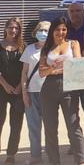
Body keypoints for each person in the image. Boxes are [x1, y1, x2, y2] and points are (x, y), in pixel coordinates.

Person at [39, 17, 84, 165]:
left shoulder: (73, 44)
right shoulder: (46, 48)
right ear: (53, 30)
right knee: (50, 127)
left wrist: (60, 67)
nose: (61, 32)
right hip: (49, 87)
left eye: (64, 29)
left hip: (69, 86)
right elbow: (42, 72)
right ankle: (54, 161)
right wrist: (53, 68)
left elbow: (78, 64)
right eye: (58, 29)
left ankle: (81, 161)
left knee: (74, 125)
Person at [21, 21, 49, 165]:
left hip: (49, 93)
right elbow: (24, 72)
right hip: (32, 92)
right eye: (41, 30)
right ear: (36, 32)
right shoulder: (29, 49)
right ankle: (36, 156)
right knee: (33, 126)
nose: (43, 33)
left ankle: (52, 153)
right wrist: (24, 92)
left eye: (46, 30)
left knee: (50, 127)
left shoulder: (54, 49)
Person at [0, 18, 24, 165]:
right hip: (1, 89)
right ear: (6, 28)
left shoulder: (23, 47)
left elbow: (25, 70)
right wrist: (5, 84)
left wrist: (20, 87)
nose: (13, 30)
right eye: (11, 27)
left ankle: (11, 154)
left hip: (18, 91)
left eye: (16, 28)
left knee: (16, 124)